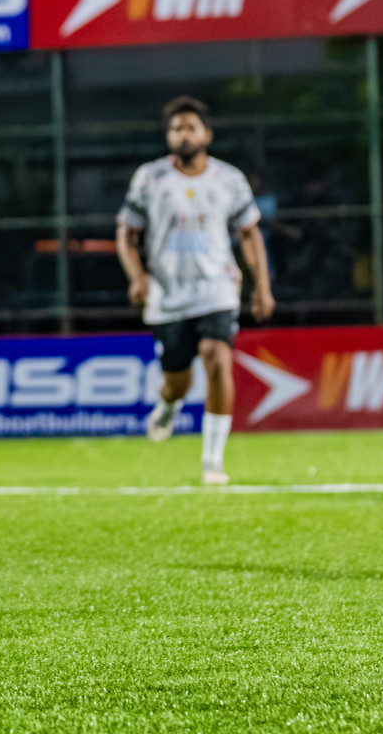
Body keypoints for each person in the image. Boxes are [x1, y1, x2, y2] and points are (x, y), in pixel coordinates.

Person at [116, 96, 275, 485]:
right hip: (167, 296)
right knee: (178, 381)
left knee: (217, 356)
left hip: (217, 288)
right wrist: (137, 276)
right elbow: (126, 233)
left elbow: (249, 233)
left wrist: (262, 287)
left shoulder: (229, 180)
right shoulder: (150, 178)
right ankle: (169, 404)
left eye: (189, 127)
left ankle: (212, 460)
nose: (181, 135)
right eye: (175, 129)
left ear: (206, 133)